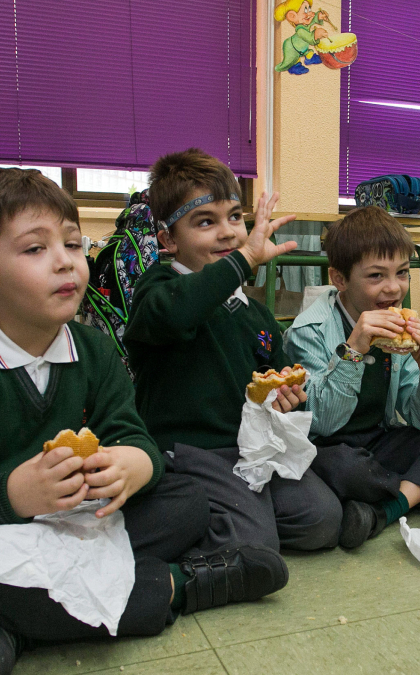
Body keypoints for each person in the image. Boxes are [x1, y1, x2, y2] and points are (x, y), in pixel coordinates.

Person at [0, 168, 282, 675]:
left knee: (187, 504)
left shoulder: (93, 350)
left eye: (72, 244)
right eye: (34, 249)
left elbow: (134, 436)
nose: (65, 263)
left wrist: (132, 465)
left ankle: (0, 621)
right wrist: (9, 495)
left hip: (77, 525)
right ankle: (180, 585)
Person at [125, 149, 343, 556]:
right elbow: (182, 309)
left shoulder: (256, 314)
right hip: (189, 453)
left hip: (248, 449)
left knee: (322, 520)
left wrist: (286, 400)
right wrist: (244, 260)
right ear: (169, 239)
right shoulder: (156, 291)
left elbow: (275, 377)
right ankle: (208, 525)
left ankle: (236, 517)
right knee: (252, 544)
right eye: (205, 222)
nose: (227, 232)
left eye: (235, 217)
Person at [286, 205, 420, 549]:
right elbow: (323, 422)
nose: (394, 288)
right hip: (330, 448)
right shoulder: (308, 331)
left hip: (380, 443)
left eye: (403, 273)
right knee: (347, 468)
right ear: (339, 279)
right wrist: (353, 351)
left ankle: (387, 509)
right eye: (376, 276)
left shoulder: (397, 328)